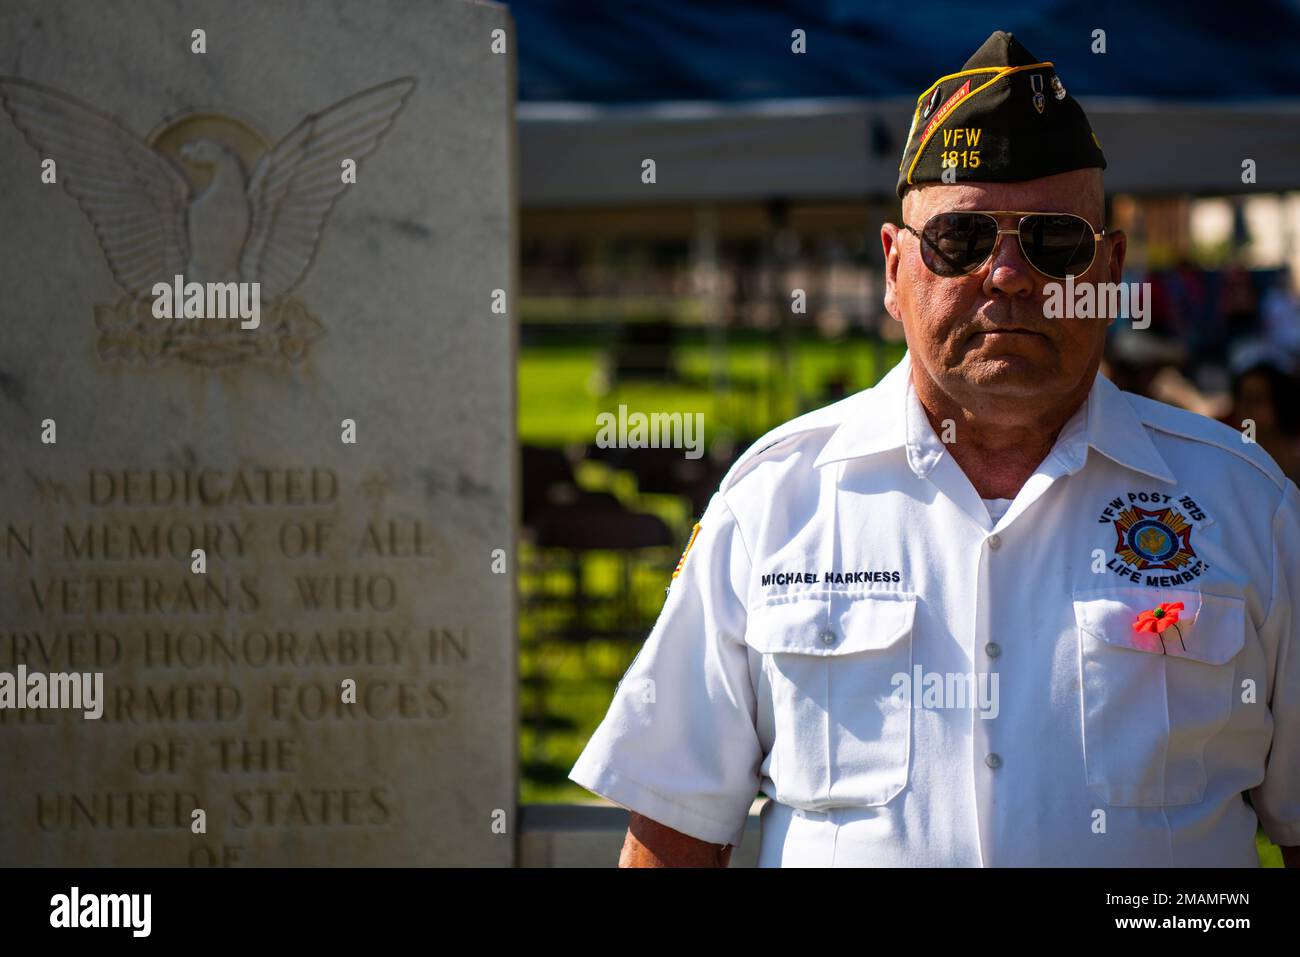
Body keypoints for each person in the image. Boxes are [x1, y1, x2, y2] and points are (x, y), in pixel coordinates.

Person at [569, 31, 1300, 867]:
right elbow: (674, 831)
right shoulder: (774, 502)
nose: (1008, 275)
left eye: (1054, 242)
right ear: (893, 264)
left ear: (1111, 267)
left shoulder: (1248, 507)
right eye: (961, 239)